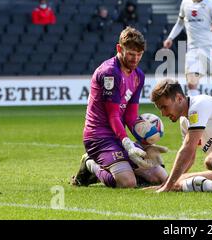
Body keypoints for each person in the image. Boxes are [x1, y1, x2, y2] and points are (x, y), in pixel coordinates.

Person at [71, 27, 168, 188]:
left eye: (139, 54)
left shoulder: (139, 76)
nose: (135, 59)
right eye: (131, 53)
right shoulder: (110, 73)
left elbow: (130, 115)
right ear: (119, 49)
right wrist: (127, 143)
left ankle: (121, 166)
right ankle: (90, 163)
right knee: (128, 182)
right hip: (98, 137)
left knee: (160, 177)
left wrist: (145, 139)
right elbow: (113, 115)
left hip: (117, 136)